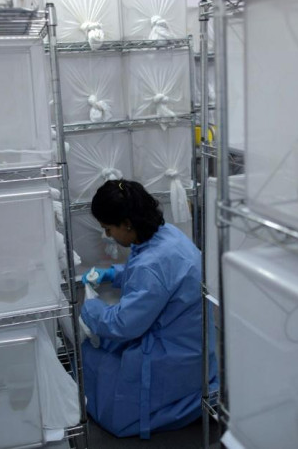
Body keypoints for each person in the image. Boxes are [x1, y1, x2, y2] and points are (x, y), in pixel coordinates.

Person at [79, 179, 219, 439]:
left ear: (127, 224)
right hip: (192, 343)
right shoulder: (168, 235)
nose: (107, 235)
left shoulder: (153, 264)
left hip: (173, 355)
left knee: (95, 359)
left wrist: (90, 308)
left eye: (108, 228)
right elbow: (154, 280)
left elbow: (122, 325)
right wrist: (114, 274)